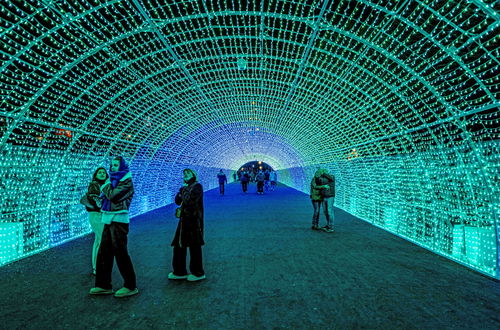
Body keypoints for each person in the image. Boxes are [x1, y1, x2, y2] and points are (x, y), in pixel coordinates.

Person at [89, 156, 139, 297]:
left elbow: (113, 196)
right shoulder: (111, 180)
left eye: (116, 165)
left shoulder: (126, 182)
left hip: (119, 220)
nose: (113, 167)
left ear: (122, 166)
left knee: (120, 253)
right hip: (107, 218)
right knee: (104, 253)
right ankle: (103, 285)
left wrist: (105, 186)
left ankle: (130, 285)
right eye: (111, 165)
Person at [168, 169, 206, 281]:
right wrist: (182, 191)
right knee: (179, 245)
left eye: (188, 173)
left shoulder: (197, 186)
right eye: (184, 174)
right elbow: (177, 201)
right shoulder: (185, 187)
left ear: (194, 175)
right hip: (184, 221)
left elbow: (189, 201)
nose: (185, 175)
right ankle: (179, 271)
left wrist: (183, 191)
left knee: (194, 246)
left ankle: (198, 272)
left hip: (194, 221)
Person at [85, 167, 108, 275]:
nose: (102, 174)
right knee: (101, 240)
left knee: (98, 240)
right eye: (100, 172)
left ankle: (96, 265)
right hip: (96, 215)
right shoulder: (94, 185)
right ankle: (97, 266)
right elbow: (95, 199)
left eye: (104, 172)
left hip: (99, 215)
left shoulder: (104, 184)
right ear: (96, 174)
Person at [316, 168, 335, 233]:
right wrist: (318, 175)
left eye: (325, 171)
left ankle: (331, 227)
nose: (323, 172)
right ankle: (328, 224)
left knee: (330, 211)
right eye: (323, 171)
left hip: (330, 196)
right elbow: (318, 182)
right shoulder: (323, 178)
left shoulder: (331, 176)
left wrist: (323, 173)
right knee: (325, 211)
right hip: (324, 197)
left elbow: (330, 178)